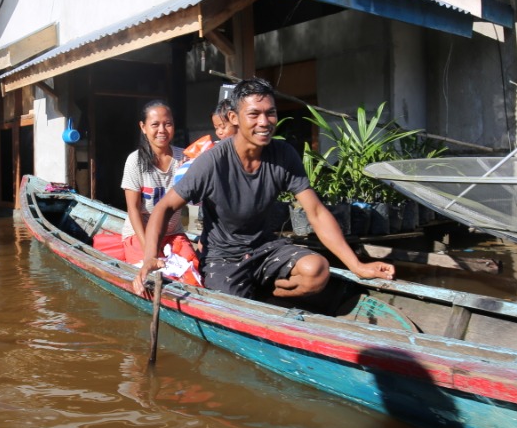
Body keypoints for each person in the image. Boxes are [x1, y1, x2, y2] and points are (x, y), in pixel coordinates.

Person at [133, 77, 394, 301]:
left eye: (270, 113)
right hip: (223, 257)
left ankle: (268, 295)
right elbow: (164, 207)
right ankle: (252, 295)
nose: (265, 121)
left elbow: (315, 212)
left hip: (265, 247)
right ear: (234, 118)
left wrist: (357, 265)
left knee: (317, 271)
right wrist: (149, 258)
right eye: (254, 114)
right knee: (231, 307)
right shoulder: (212, 162)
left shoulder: (283, 155)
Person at [119, 100, 194, 269]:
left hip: (172, 233)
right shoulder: (135, 161)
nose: (162, 130)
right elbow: (133, 209)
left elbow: (195, 202)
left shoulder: (185, 158)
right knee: (149, 277)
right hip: (141, 235)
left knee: (191, 272)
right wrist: (149, 251)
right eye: (155, 124)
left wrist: (188, 174)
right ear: (143, 127)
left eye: (168, 124)